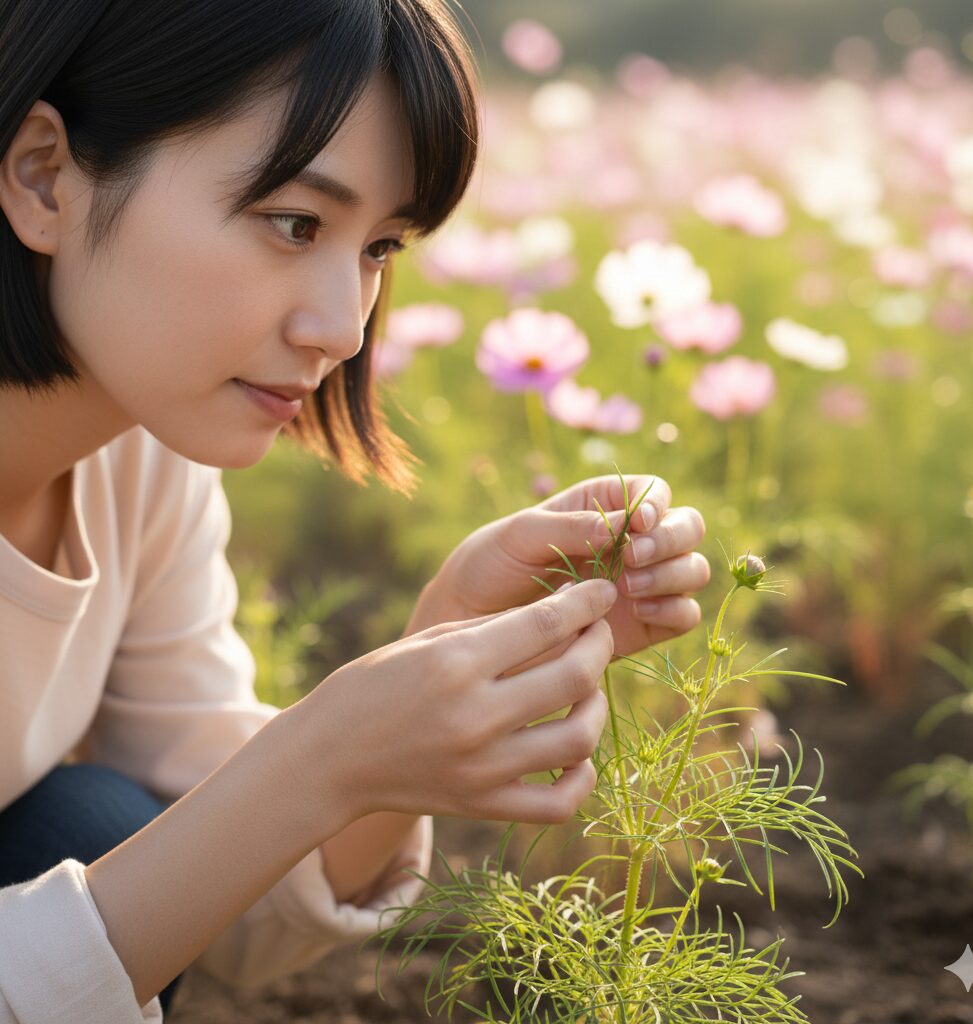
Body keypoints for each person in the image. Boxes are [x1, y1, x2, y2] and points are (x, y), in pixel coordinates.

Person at [0, 1, 712, 1021]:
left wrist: (433, 670)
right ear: (42, 175)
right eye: (294, 222)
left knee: (95, 825)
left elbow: (213, 900)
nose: (342, 326)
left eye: (378, 247)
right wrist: (319, 756)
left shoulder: (141, 467)